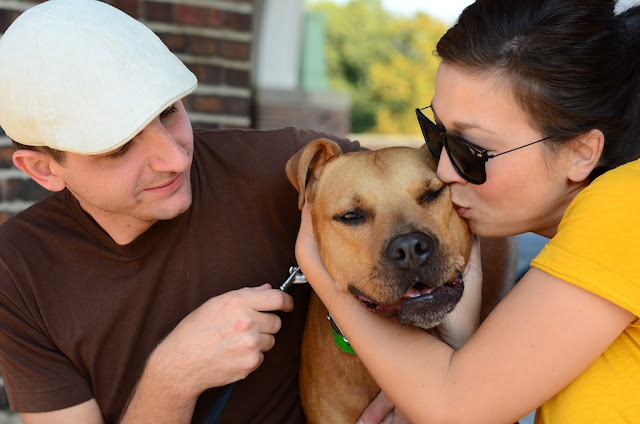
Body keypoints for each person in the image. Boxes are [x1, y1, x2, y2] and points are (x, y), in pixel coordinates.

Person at [0, 0, 365, 423]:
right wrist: (173, 376)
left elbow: (424, 198)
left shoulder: (287, 168)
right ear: (43, 169)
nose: (175, 159)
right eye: (120, 146)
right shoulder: (17, 270)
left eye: (169, 112)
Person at [296, 0, 640, 423]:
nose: (442, 170)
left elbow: (453, 407)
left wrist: (316, 266)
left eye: (472, 148)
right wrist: (462, 343)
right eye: (436, 136)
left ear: (581, 153)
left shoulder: (629, 204)